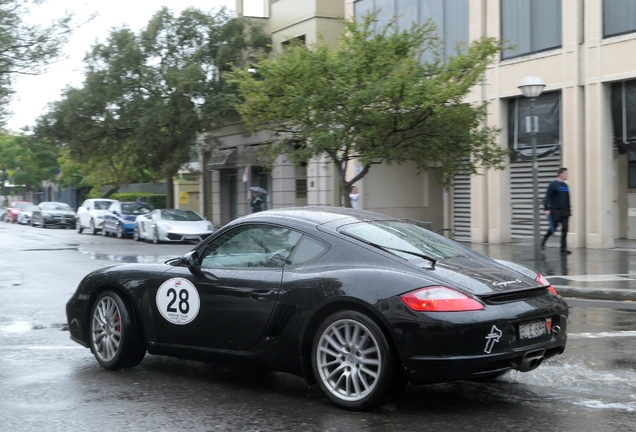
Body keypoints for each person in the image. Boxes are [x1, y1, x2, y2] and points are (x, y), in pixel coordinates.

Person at [542, 167, 571, 254]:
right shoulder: (553, 184)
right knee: (553, 228)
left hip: (565, 211)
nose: (567, 175)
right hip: (556, 211)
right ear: (561, 174)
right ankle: (544, 239)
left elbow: (567, 199)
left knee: (565, 229)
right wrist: (546, 208)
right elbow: (547, 197)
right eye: (566, 173)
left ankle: (563, 248)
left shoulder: (565, 186)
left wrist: (569, 209)